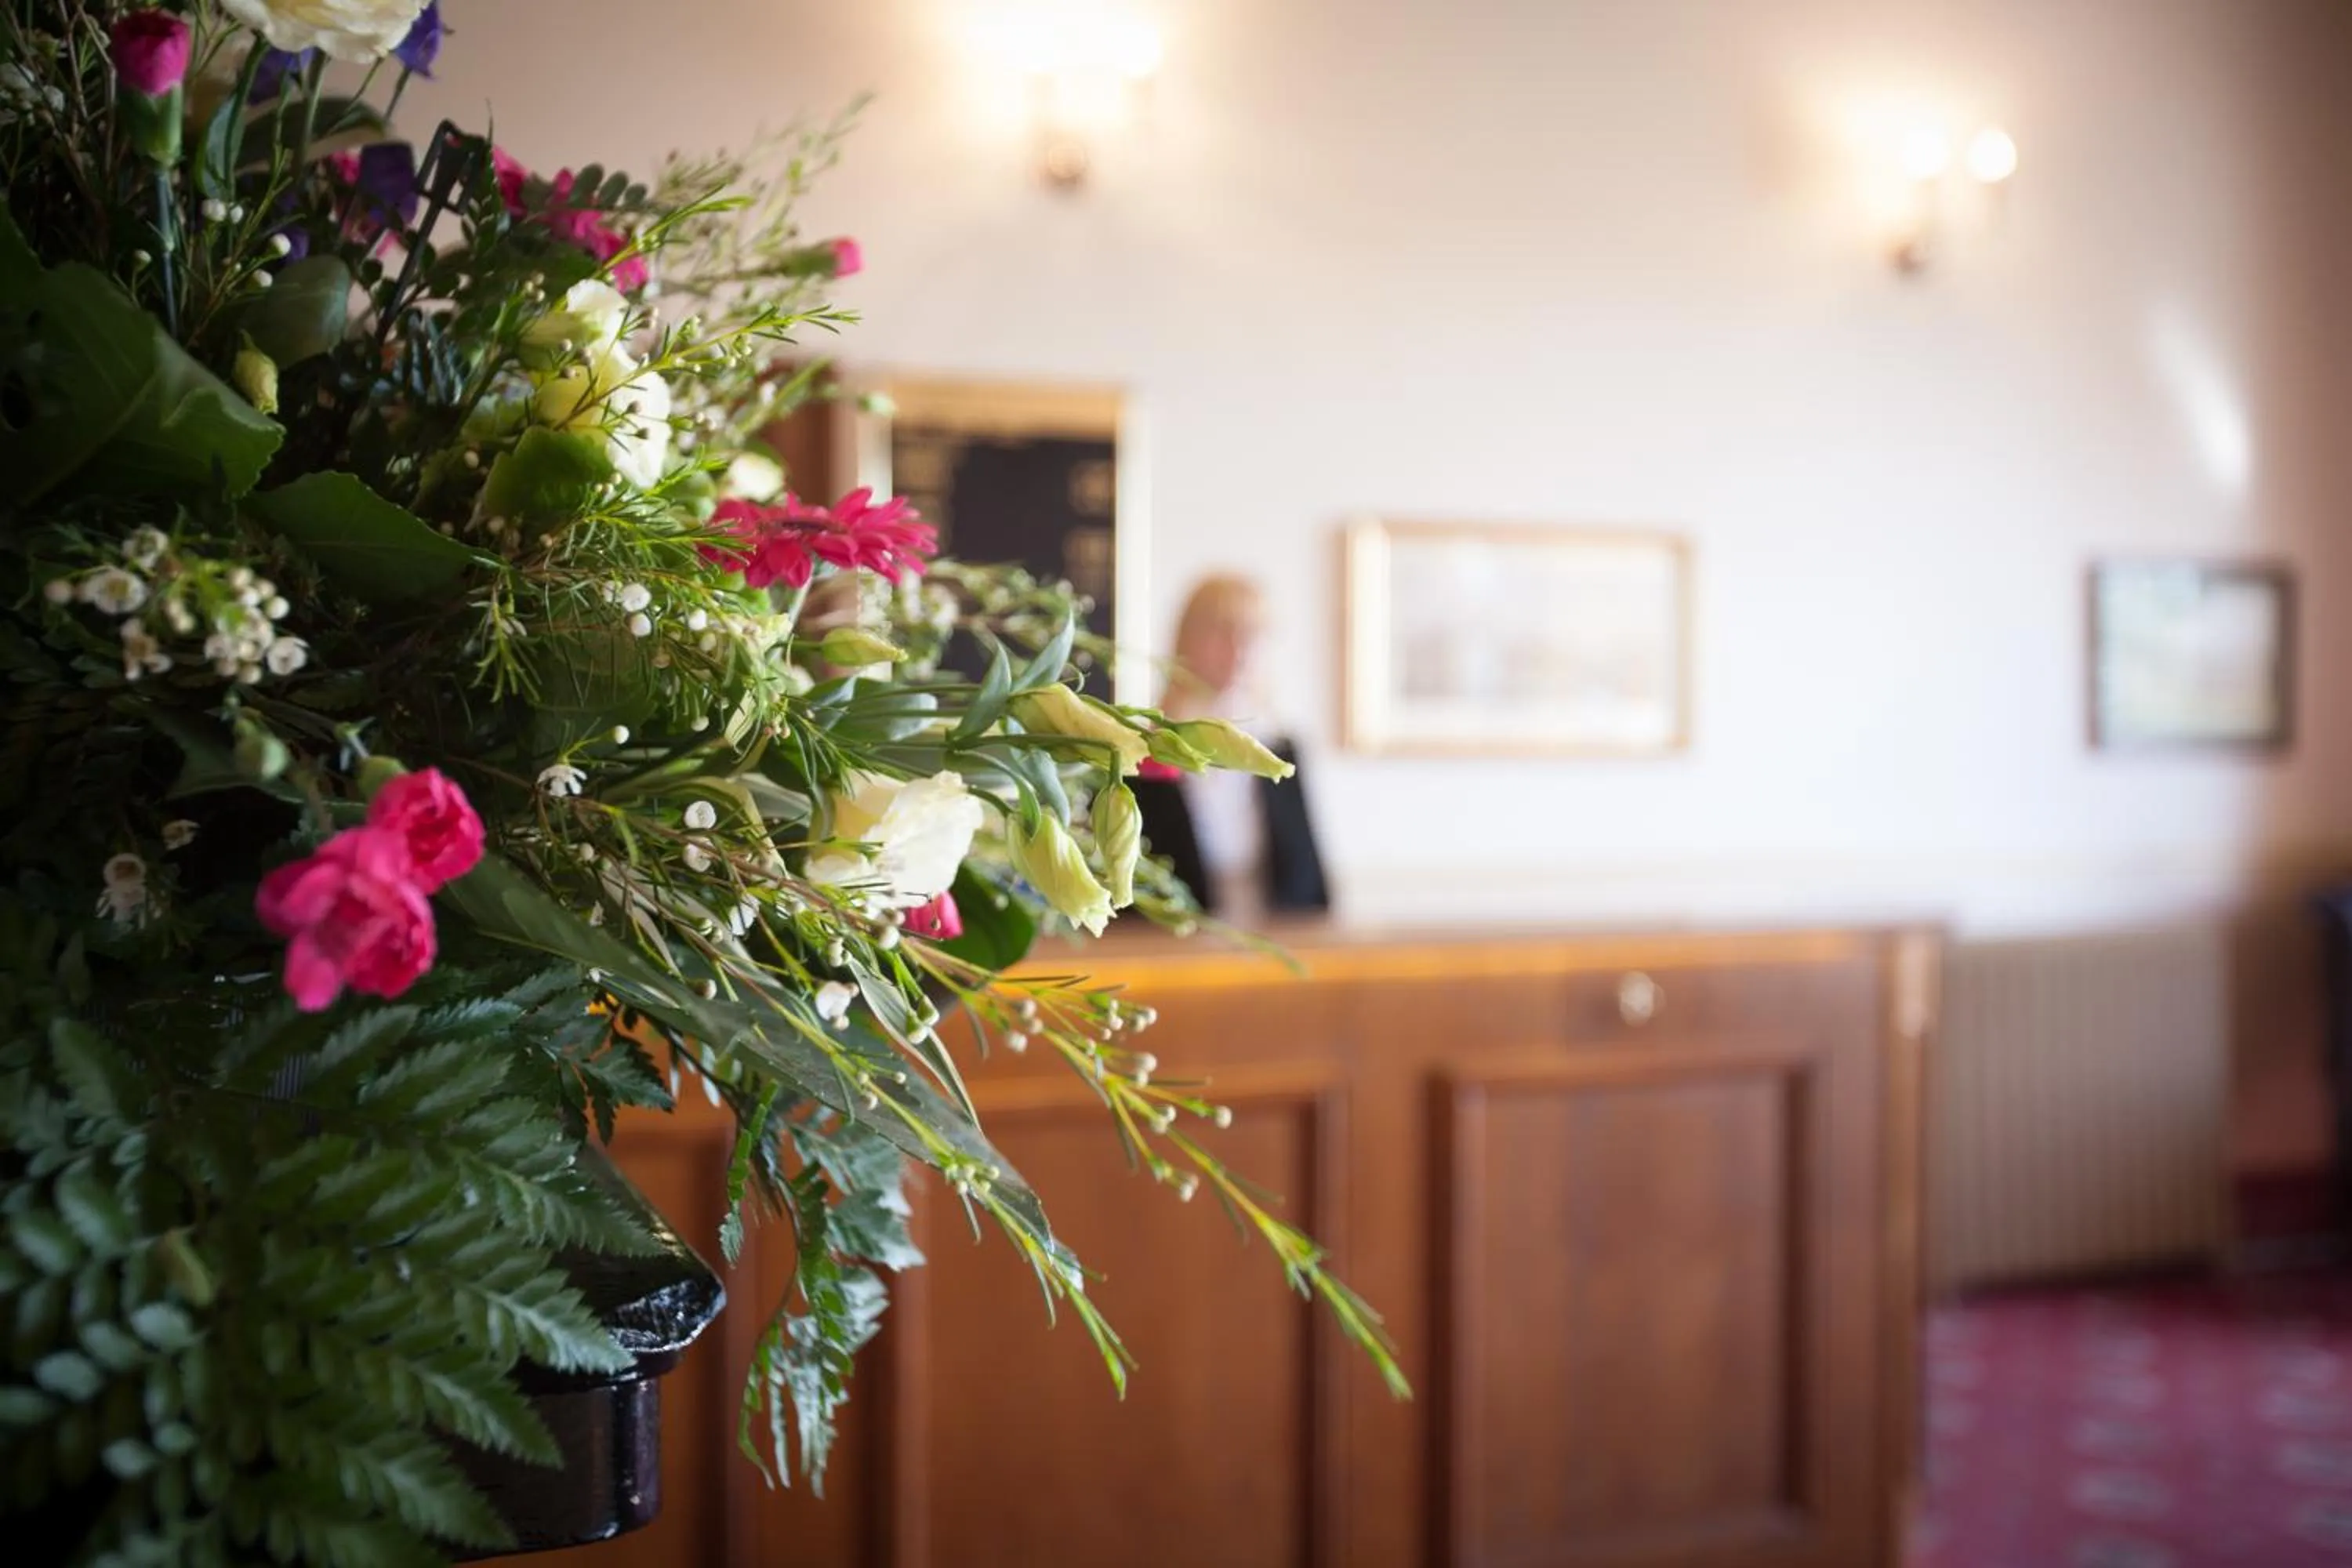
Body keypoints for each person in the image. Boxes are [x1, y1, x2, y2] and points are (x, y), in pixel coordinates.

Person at [1132, 575, 1329, 920]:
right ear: (1186, 641)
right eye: (1222, 631)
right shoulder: (1144, 752)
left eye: (1252, 634)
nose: (1239, 650)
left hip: (1272, 946)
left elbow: (1310, 884)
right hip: (1175, 948)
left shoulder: (1281, 750)